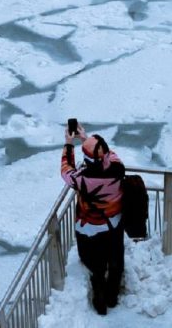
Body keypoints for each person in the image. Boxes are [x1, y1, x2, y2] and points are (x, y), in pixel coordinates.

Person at [60, 123, 125, 315]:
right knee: (115, 261)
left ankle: (100, 299)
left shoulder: (82, 179)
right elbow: (109, 154)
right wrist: (87, 139)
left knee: (96, 267)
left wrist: (70, 144)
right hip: (113, 224)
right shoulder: (117, 170)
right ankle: (112, 296)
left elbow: (66, 170)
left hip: (90, 228)